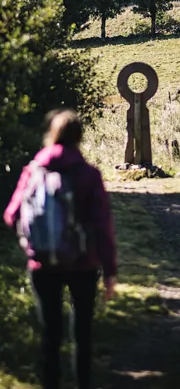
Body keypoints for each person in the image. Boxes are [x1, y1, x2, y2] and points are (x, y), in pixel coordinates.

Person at [4, 109, 117, 389]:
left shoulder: (33, 170)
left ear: (51, 135)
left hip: (43, 264)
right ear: (79, 137)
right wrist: (111, 272)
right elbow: (103, 227)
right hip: (83, 263)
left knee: (50, 335)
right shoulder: (89, 175)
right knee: (82, 334)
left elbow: (11, 214)